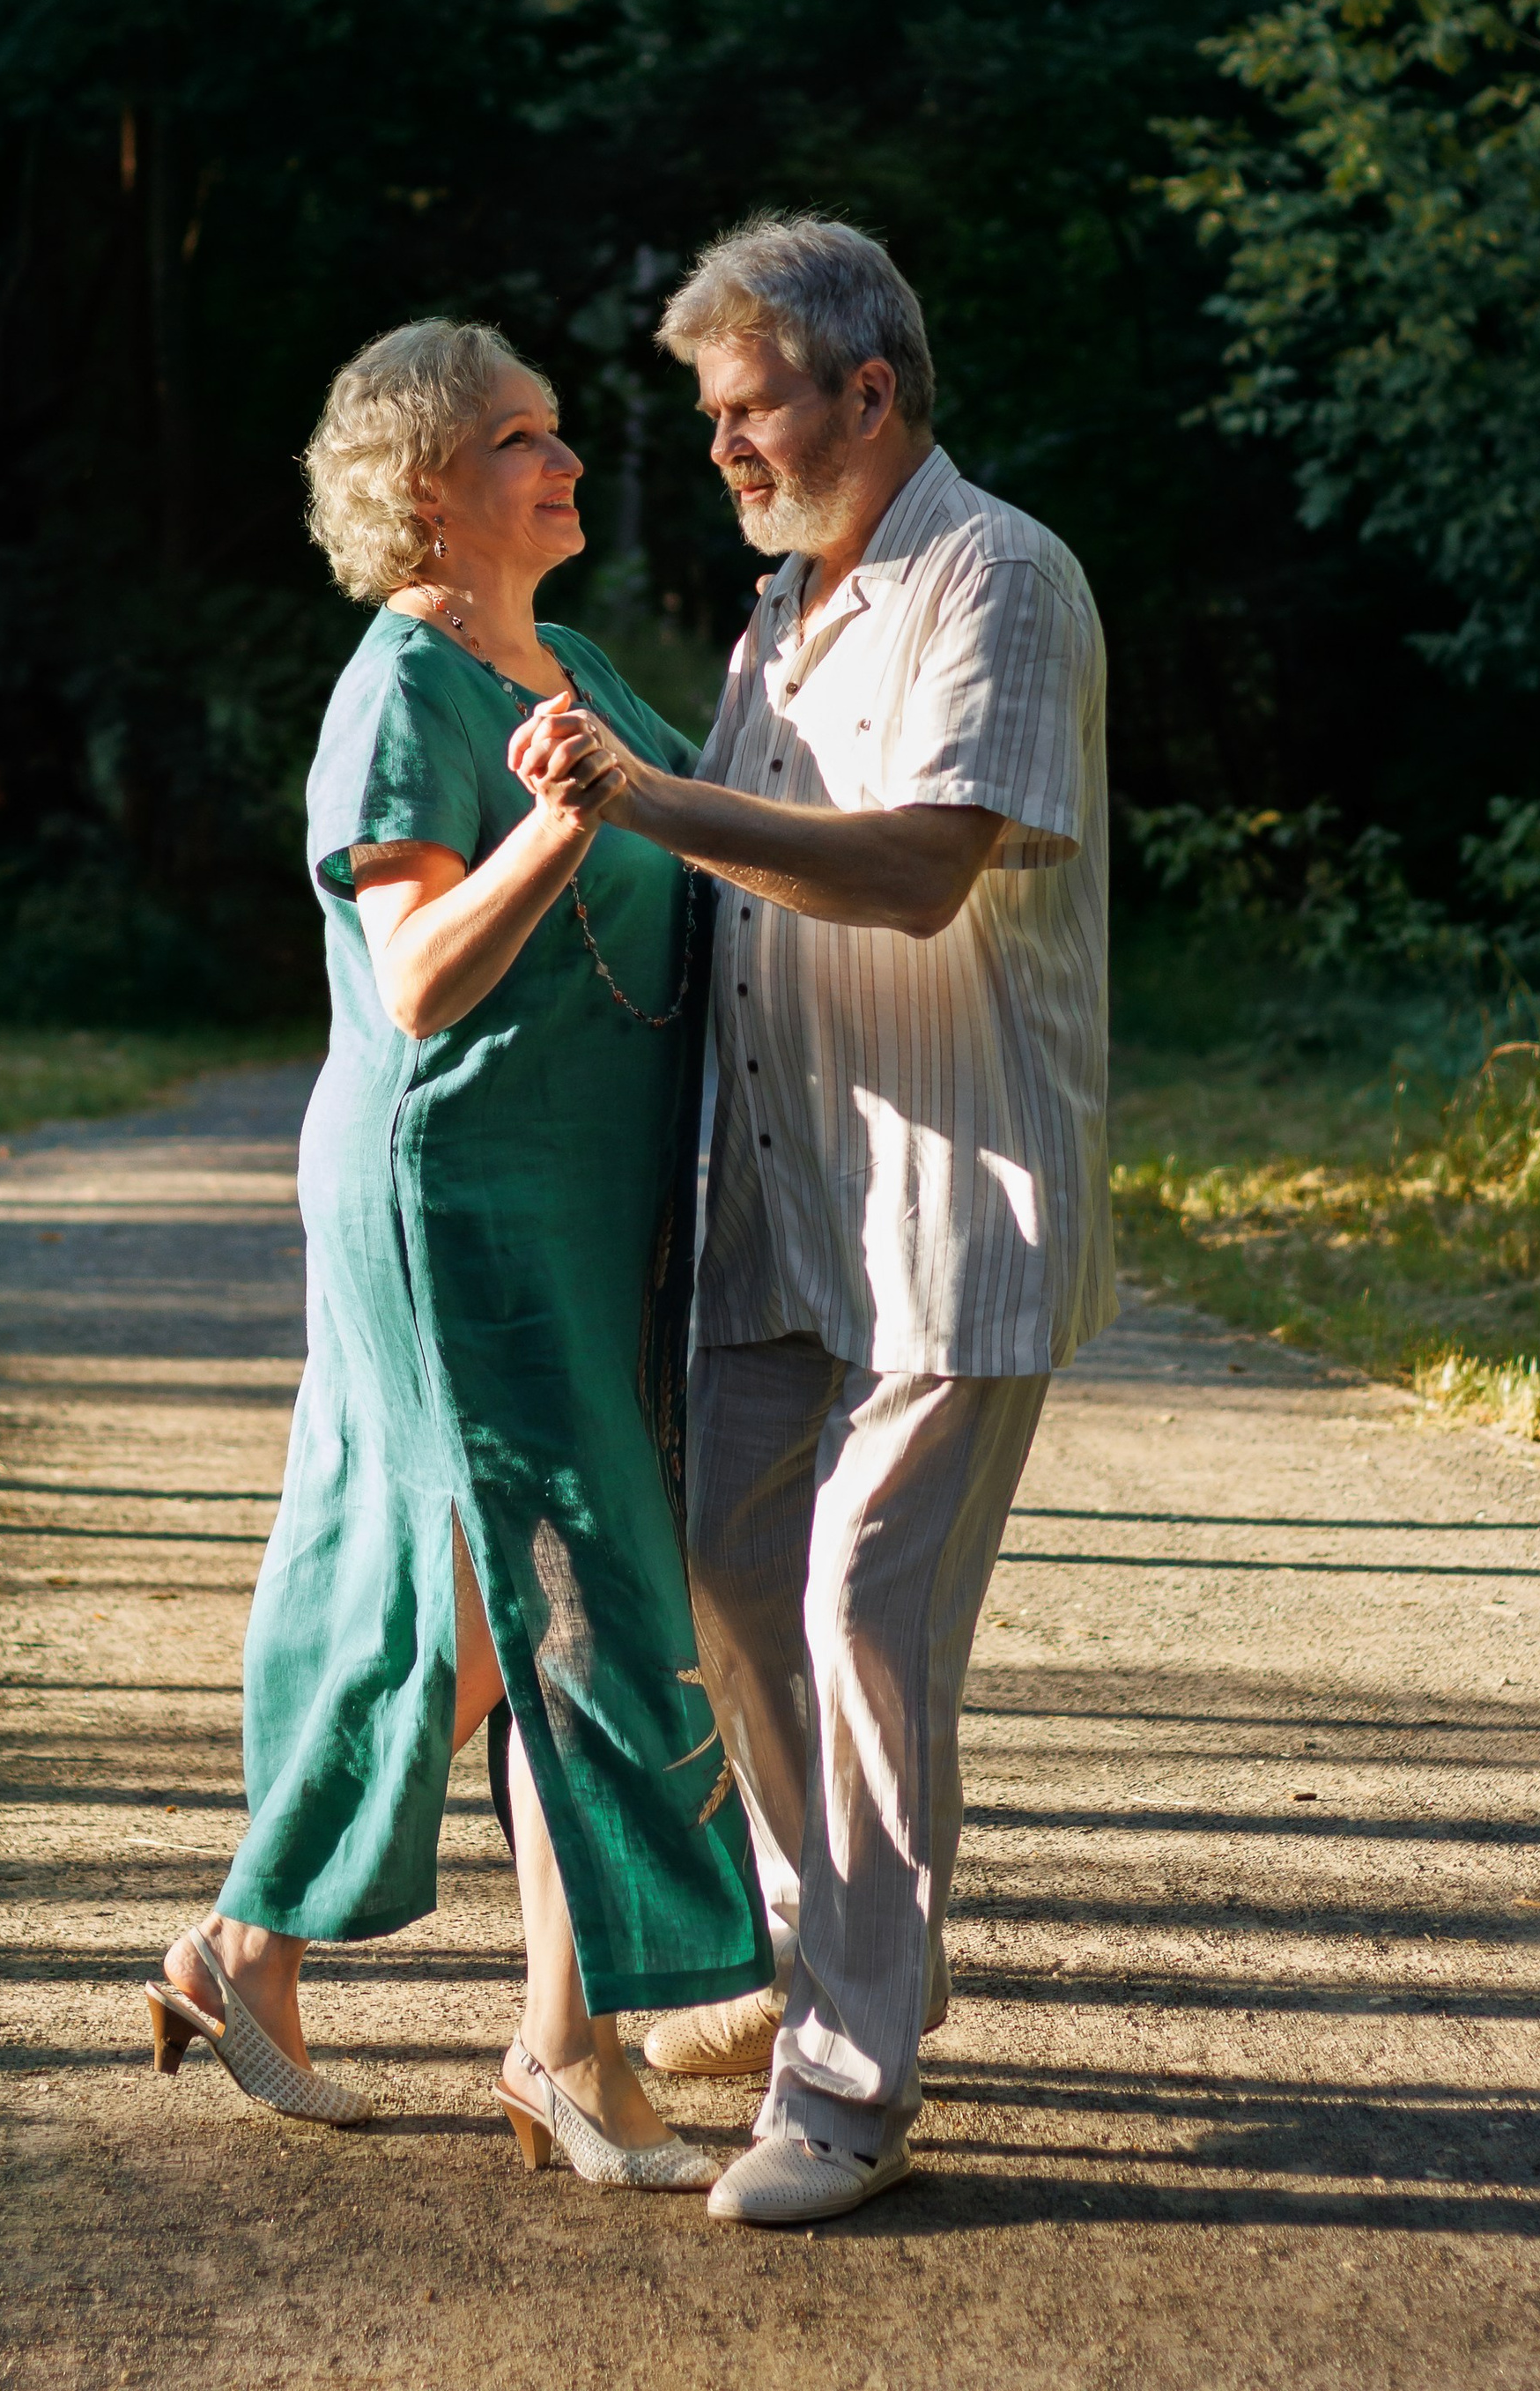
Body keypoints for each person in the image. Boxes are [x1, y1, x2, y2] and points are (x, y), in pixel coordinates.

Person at [510, 215, 1111, 2227]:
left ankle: (846, 2079)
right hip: (781, 1206)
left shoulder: (997, 575)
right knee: (720, 1577)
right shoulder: (780, 611)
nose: (721, 447)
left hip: (957, 1196)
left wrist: (642, 796)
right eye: (703, 414)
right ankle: (842, 1939)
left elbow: (920, 869)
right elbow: (714, 895)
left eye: (745, 402)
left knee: (859, 1600)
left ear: (869, 390)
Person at [145, 317, 767, 2189]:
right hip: (455, 1196)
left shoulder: (564, 659)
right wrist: (560, 828)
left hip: (571, 1195)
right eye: (523, 439)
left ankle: (245, 1949)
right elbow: (414, 976)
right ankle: (571, 2052)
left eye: (561, 434)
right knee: (570, 1599)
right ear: (427, 486)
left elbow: (721, 821)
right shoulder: (396, 688)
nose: (567, 463)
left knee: (469, 1617)